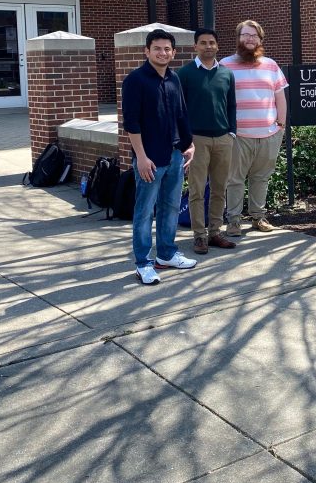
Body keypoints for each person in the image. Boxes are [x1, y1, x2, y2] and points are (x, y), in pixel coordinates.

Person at [121, 29, 197, 285]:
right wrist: (141, 157)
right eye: (157, 48)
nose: (162, 53)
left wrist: (189, 145)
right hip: (150, 159)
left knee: (171, 207)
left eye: (167, 49)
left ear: (173, 52)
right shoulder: (135, 80)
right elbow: (131, 123)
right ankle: (143, 263)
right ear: (147, 51)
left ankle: (166, 254)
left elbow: (181, 114)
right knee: (144, 212)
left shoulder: (174, 78)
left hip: (175, 156)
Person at [222, 20, 289, 236]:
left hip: (269, 134)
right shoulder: (224, 65)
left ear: (260, 40)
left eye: (254, 36)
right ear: (238, 38)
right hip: (238, 136)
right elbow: (219, 99)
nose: (250, 39)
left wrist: (281, 125)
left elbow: (280, 97)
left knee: (261, 178)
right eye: (246, 35)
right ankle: (233, 221)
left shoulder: (271, 65)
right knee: (234, 179)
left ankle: (258, 217)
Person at [177, 28, 238, 255]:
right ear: (195, 46)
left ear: (217, 46)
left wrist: (232, 132)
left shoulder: (226, 74)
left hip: (223, 138)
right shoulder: (185, 74)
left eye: (212, 42)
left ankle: (214, 233)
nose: (208, 46)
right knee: (197, 190)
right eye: (203, 43)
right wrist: (186, 140)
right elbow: (179, 109)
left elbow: (231, 105)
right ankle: (199, 236)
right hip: (197, 140)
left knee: (219, 189)